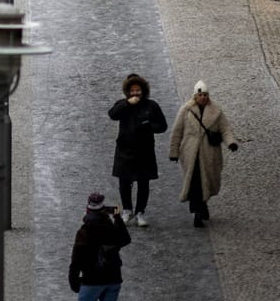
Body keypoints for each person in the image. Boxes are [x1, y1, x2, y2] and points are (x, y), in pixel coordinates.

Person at [169, 80, 239, 227]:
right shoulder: (186, 110)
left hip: (209, 154)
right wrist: (174, 152)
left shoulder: (216, 111)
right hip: (190, 154)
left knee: (207, 180)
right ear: (195, 96)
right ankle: (197, 213)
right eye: (200, 95)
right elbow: (177, 131)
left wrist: (231, 142)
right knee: (195, 183)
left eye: (205, 95)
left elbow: (225, 128)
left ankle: (203, 205)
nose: (203, 97)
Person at [109, 74, 168, 227]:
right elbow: (112, 114)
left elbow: (162, 126)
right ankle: (127, 210)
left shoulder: (151, 106)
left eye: (138, 90)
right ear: (128, 92)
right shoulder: (122, 104)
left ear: (143, 91)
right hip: (124, 150)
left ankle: (140, 212)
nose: (135, 93)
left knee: (143, 183)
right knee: (124, 182)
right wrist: (127, 104)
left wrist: (149, 126)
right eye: (133, 90)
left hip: (145, 151)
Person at [68, 191, 131, 299]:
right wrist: (118, 218)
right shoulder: (112, 228)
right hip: (113, 279)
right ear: (104, 211)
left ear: (87, 211)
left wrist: (74, 282)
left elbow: (76, 260)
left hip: (91, 281)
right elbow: (125, 239)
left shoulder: (84, 232)